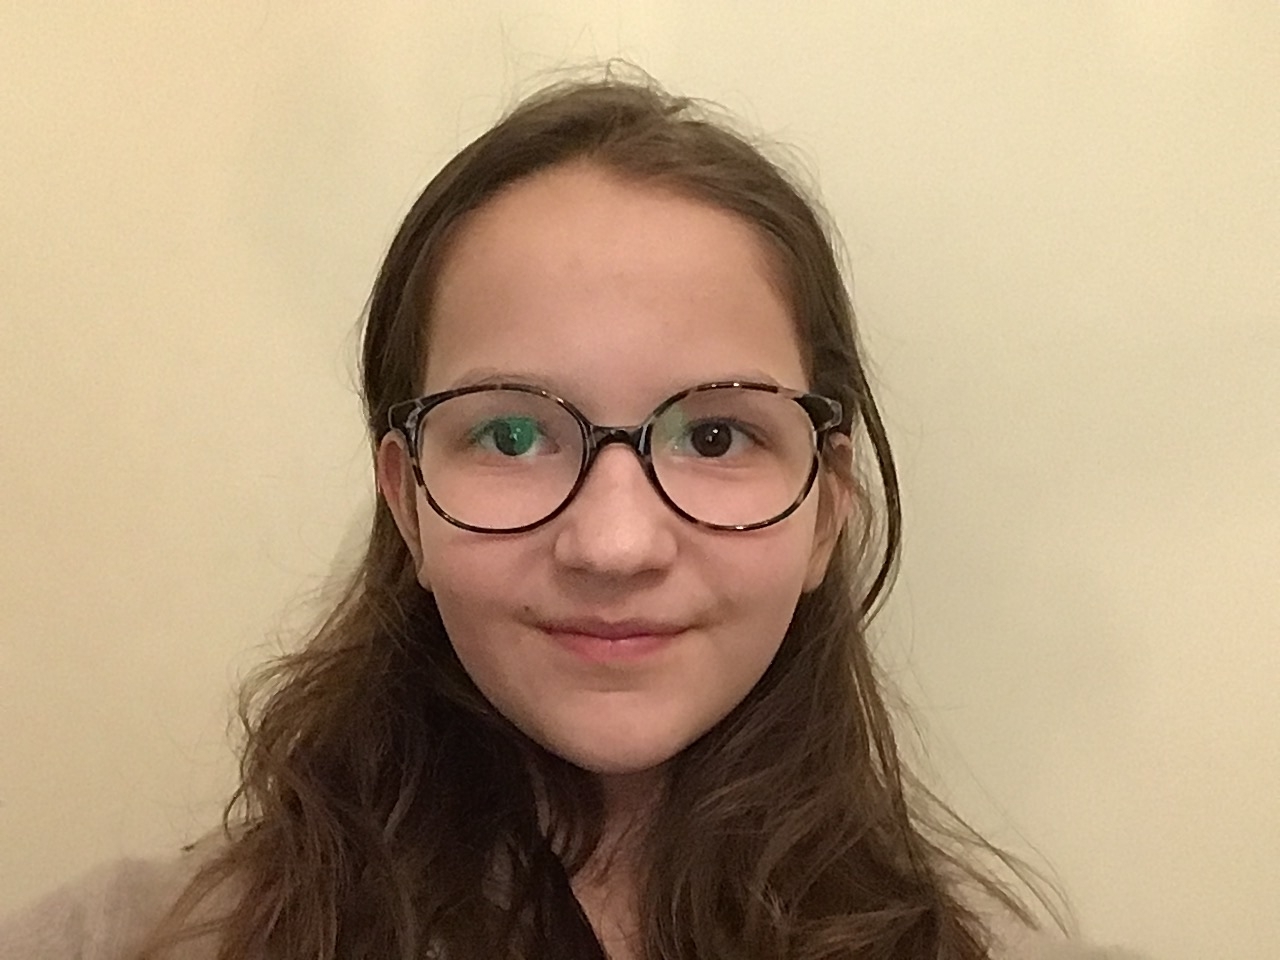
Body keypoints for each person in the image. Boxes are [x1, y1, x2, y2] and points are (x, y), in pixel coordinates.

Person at [1, 73, 1145, 960]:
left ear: (825, 506)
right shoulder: (117, 941)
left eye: (714, 437)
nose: (612, 544)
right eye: (510, 435)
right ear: (405, 500)